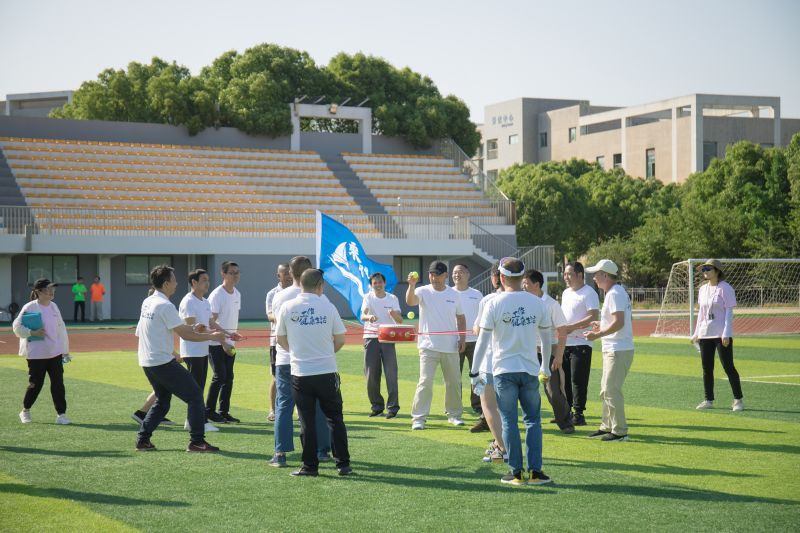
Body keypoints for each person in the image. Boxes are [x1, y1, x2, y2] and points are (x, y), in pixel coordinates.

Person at [471, 258, 553, 486]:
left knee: (509, 421)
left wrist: (474, 372)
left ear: (502, 277)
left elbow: (482, 341)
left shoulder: (494, 304)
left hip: (503, 371)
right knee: (533, 421)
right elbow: (547, 339)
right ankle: (536, 472)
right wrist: (545, 366)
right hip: (529, 370)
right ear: (522, 277)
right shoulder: (538, 303)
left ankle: (516, 473)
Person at [134, 265, 230, 452]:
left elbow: (178, 329)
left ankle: (143, 439)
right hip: (161, 361)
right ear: (166, 283)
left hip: (147, 360)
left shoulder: (148, 302)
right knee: (195, 395)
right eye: (174, 280)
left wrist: (196, 329)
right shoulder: (165, 305)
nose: (177, 283)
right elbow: (186, 335)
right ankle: (197, 441)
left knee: (162, 400)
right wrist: (213, 336)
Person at [277, 268, 352, 477]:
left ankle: (310, 466)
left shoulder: (287, 307)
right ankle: (343, 464)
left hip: (301, 372)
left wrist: (296, 352)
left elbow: (280, 339)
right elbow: (340, 339)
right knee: (335, 419)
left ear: (300, 283)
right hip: (327, 371)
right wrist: (326, 352)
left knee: (306, 421)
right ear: (320, 286)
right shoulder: (328, 307)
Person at [269, 256, 332, 468]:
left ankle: (280, 453)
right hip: (313, 359)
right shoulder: (321, 298)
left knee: (284, 404)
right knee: (318, 405)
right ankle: (322, 450)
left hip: (287, 358)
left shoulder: (281, 296)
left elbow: (280, 331)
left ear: (290, 273)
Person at [406, 261, 466, 430]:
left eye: (438, 274)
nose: (435, 277)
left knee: (454, 382)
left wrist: (462, 339)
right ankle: (419, 418)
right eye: (432, 274)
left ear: (445, 275)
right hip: (428, 346)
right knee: (425, 382)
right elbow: (410, 301)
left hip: (450, 346)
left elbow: (461, 318)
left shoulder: (454, 295)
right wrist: (411, 285)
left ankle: (454, 415)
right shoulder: (423, 290)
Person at [584, 259, 634, 442]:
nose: (594, 278)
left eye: (596, 274)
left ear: (605, 275)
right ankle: (607, 426)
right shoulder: (615, 292)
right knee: (606, 390)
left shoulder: (614, 294)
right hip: (615, 348)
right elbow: (618, 321)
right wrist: (602, 325)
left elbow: (619, 322)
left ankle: (620, 430)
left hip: (618, 349)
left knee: (611, 390)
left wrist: (597, 335)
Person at [13, 279, 71, 425]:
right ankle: (25, 410)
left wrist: (65, 351)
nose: (51, 292)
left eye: (53, 289)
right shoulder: (30, 307)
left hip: (55, 353)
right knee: (35, 384)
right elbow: (16, 328)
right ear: (38, 292)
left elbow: (61, 329)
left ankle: (61, 415)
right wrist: (32, 332)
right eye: (48, 289)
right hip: (36, 354)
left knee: (58, 384)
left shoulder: (54, 307)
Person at [523, 269, 573, 434]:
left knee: (552, 390)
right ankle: (531, 421)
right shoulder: (523, 301)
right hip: (527, 350)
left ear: (536, 285)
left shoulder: (551, 304)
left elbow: (562, 331)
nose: (523, 286)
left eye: (526, 283)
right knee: (525, 388)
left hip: (549, 350)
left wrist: (558, 356)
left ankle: (566, 422)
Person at [691, 259, 743, 412]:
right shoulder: (702, 289)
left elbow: (728, 311)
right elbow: (701, 313)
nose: (705, 271)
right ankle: (708, 399)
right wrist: (696, 333)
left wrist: (726, 333)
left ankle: (738, 399)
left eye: (708, 268)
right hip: (705, 333)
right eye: (704, 269)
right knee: (707, 368)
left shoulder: (725, 288)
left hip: (721, 334)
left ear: (717, 271)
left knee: (728, 366)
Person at [473, 263, 507, 463]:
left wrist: (474, 370)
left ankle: (502, 448)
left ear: (498, 278)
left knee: (490, 407)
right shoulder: (529, 299)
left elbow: (478, 330)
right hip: (517, 362)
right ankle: (499, 444)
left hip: (491, 361)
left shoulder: (489, 300)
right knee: (507, 409)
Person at [559, 262, 600, 426]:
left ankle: (579, 413)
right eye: (564, 274)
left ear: (580, 274)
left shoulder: (589, 293)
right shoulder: (565, 293)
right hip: (565, 342)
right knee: (566, 379)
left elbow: (593, 316)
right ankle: (567, 411)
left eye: (569, 274)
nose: (566, 277)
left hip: (582, 342)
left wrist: (571, 327)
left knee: (578, 379)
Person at [179, 269, 219, 433]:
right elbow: (193, 328)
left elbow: (210, 323)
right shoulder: (188, 301)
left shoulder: (205, 301)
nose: (207, 283)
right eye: (203, 280)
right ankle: (199, 421)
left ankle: (192, 420)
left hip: (202, 349)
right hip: (192, 350)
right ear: (193, 282)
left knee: (198, 387)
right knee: (196, 389)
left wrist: (228, 334)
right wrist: (216, 335)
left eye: (208, 280)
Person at [206, 261, 244, 424]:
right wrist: (224, 341)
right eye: (231, 272)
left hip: (230, 343)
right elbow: (211, 322)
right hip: (215, 343)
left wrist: (232, 336)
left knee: (229, 377)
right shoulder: (216, 295)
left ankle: (224, 411)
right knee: (220, 376)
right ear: (223, 274)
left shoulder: (237, 294)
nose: (235, 275)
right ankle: (209, 411)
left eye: (237, 272)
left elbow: (231, 319)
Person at [361, 272, 402, 418]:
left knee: (391, 374)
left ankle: (393, 408)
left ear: (384, 283)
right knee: (371, 375)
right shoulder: (368, 297)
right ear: (371, 285)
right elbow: (363, 315)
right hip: (371, 338)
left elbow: (400, 320)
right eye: (374, 283)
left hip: (387, 339)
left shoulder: (392, 298)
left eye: (380, 282)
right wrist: (369, 317)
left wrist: (393, 314)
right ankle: (377, 407)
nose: (377, 285)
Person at [451, 264, 486, 432]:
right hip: (453, 341)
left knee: (477, 375)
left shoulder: (476, 294)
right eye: (454, 273)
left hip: (475, 341)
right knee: (453, 376)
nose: (457, 275)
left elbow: (483, 316)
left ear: (468, 274)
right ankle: (454, 405)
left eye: (460, 272)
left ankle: (478, 404)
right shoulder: (448, 293)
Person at [266, 263, 293, 421]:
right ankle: (272, 409)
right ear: (278, 276)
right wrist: (284, 320)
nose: (289, 276)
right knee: (277, 377)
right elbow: (270, 315)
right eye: (285, 274)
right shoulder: (272, 294)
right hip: (277, 342)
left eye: (290, 273)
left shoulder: (297, 291)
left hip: (295, 340)